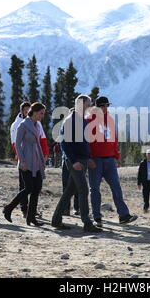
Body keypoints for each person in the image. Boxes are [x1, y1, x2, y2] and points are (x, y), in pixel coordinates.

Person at [51, 95, 102, 233]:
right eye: (88, 104)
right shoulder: (70, 120)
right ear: (81, 104)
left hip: (83, 160)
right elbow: (64, 144)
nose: (90, 107)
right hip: (75, 161)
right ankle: (87, 222)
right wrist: (73, 162)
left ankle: (56, 219)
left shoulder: (83, 120)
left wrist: (89, 158)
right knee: (83, 190)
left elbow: (84, 143)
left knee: (69, 191)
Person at [86, 96, 138, 227]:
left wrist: (116, 157)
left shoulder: (109, 120)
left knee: (116, 187)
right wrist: (88, 158)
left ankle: (123, 215)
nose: (104, 108)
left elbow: (114, 140)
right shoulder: (89, 120)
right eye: (102, 105)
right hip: (95, 160)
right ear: (95, 107)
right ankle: (97, 216)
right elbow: (85, 141)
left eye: (106, 105)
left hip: (109, 160)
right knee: (95, 189)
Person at [3, 103, 47, 226]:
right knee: (28, 188)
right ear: (34, 112)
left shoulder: (37, 125)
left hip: (37, 160)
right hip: (26, 161)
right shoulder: (23, 125)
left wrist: (42, 159)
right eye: (41, 113)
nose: (42, 116)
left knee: (37, 188)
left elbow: (38, 143)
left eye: (43, 114)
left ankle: (31, 217)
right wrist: (21, 161)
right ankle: (8, 208)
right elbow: (17, 144)